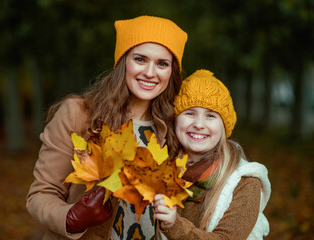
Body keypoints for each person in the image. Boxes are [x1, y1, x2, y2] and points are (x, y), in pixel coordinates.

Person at [26, 15, 187, 240]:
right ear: (122, 61)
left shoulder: (176, 128)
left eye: (162, 63)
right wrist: (71, 217)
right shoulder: (78, 115)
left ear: (172, 72)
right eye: (140, 59)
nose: (151, 72)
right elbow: (41, 194)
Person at [153, 69, 271, 239]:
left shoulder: (245, 182)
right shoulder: (158, 170)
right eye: (189, 113)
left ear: (224, 126)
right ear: (176, 119)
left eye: (210, 115)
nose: (199, 124)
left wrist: (175, 226)